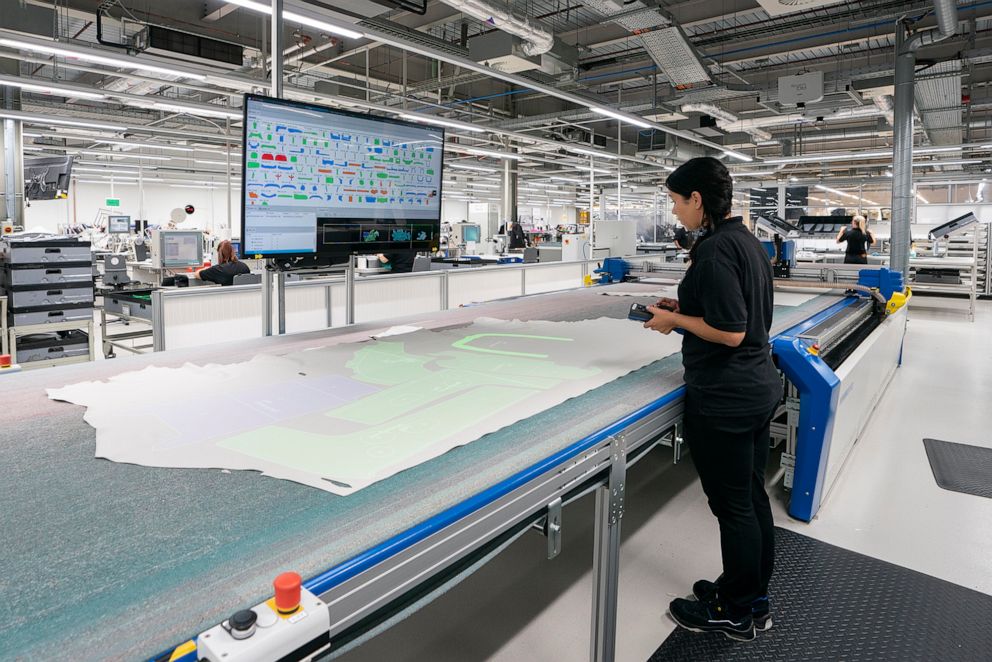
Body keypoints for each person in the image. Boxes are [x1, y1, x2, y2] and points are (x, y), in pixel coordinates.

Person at [642, 157, 782, 642]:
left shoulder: (716, 251)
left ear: (697, 199)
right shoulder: (745, 242)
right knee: (749, 495)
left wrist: (673, 321)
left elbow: (730, 331)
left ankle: (738, 610)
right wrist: (688, 306)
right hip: (756, 387)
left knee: (732, 506)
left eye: (677, 202)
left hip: (726, 396)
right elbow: (734, 307)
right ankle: (750, 591)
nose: (675, 211)